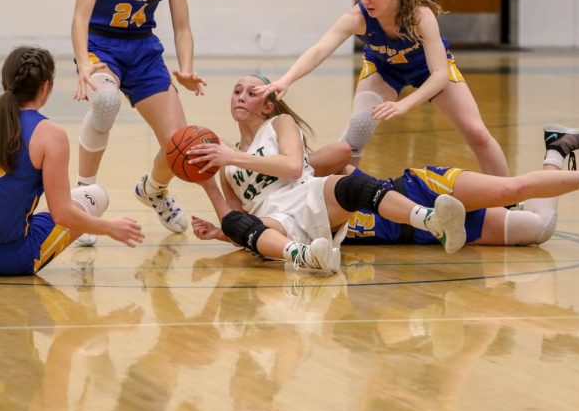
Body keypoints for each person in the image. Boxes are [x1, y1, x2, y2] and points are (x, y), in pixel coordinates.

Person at [186, 74, 470, 276]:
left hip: (306, 193)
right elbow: (239, 231)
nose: (242, 96)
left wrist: (231, 156)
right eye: (237, 91)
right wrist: (210, 195)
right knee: (236, 222)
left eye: (252, 93)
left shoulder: (279, 124)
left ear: (268, 105)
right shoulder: (227, 165)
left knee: (352, 185)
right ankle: (306, 257)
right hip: (276, 221)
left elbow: (294, 167)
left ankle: (432, 220)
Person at [256, 0, 509, 176]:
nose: (365, 0)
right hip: (383, 68)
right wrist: (286, 79)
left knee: (477, 134)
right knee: (357, 131)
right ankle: (339, 200)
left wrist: (404, 105)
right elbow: (319, 50)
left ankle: (507, 200)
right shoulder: (357, 17)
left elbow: (440, 75)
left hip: (427, 72)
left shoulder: (420, 16)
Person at [0, 46, 144, 276]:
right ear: (46, 87)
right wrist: (110, 228)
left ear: (6, 81)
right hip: (9, 260)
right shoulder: (50, 135)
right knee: (96, 196)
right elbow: (62, 214)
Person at [70, 0, 206, 246]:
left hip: (143, 51)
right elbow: (80, 17)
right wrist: (83, 62)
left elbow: (183, 26)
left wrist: (186, 69)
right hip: (102, 47)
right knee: (105, 101)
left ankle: (154, 191)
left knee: (180, 145)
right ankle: (86, 198)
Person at [312, 124, 579, 247]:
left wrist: (294, 165)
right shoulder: (277, 216)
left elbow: (343, 154)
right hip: (424, 233)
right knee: (538, 229)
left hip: (418, 191)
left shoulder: (299, 180)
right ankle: (557, 149)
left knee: (509, 191)